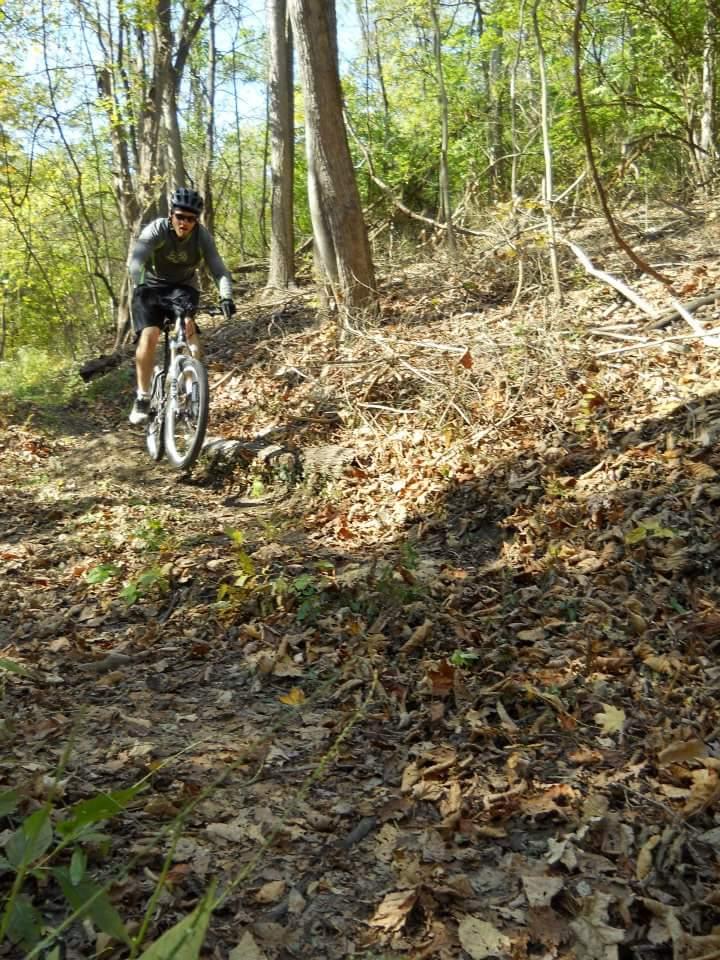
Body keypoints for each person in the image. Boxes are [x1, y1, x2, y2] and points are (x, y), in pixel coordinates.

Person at [127, 186, 236, 425]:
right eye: (180, 216)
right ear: (171, 215)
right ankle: (143, 396)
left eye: (191, 218)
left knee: (188, 327)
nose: (185, 222)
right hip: (151, 287)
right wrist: (141, 284)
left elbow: (218, 269)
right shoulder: (156, 230)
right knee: (151, 334)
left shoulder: (202, 237)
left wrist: (226, 296)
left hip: (183, 288)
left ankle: (194, 387)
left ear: (196, 220)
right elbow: (136, 262)